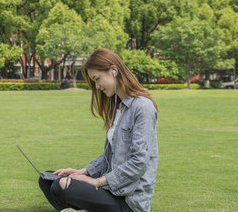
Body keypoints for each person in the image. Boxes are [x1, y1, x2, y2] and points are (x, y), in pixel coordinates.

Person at [39, 48, 159, 212]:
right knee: (48, 179)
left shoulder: (142, 107)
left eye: (97, 79)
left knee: (61, 186)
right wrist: (83, 172)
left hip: (128, 201)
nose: (96, 86)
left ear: (114, 71)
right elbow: (110, 155)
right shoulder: (118, 108)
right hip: (110, 190)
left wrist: (97, 181)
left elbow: (139, 162)